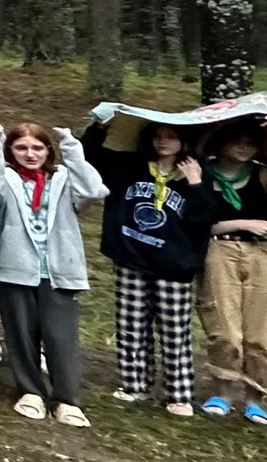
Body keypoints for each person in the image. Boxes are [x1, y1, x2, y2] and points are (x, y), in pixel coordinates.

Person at [0, 118, 106, 424]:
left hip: (59, 268)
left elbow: (94, 189)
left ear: (48, 150)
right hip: (14, 267)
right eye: (21, 147)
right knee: (20, 333)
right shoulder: (7, 177)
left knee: (60, 336)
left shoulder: (63, 178)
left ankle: (66, 398)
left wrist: (72, 148)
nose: (30, 154)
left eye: (37, 147)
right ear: (11, 150)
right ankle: (31, 391)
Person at [82, 117, 213, 417]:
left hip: (174, 264)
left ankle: (178, 394)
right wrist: (99, 126)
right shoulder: (130, 166)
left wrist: (195, 183)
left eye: (171, 136)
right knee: (131, 325)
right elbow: (91, 157)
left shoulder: (196, 171)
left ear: (184, 141)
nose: (163, 141)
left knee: (174, 330)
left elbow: (206, 217)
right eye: (158, 136)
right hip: (131, 257)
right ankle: (133, 385)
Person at [196, 121, 267, 423]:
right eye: (236, 140)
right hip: (219, 250)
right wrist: (243, 224)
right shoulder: (200, 172)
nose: (244, 146)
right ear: (221, 142)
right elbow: (196, 222)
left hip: (264, 255)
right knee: (223, 326)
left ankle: (256, 398)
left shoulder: (263, 172)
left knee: (263, 329)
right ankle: (222, 392)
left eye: (251, 141)